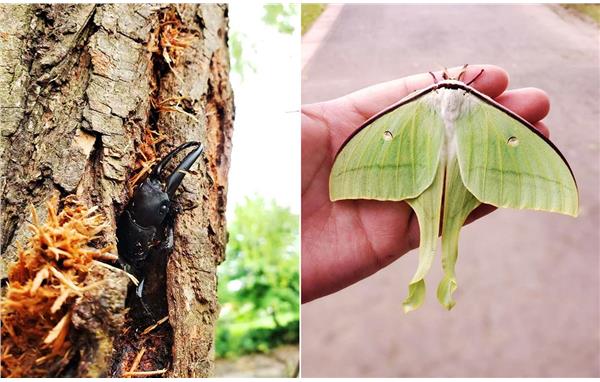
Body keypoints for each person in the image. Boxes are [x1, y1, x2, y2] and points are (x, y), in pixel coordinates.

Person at [301, 64, 551, 303]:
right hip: (449, 165)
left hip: (452, 168)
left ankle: (426, 285)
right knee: (447, 228)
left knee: (441, 227)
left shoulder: (420, 103)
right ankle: (440, 282)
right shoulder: (477, 107)